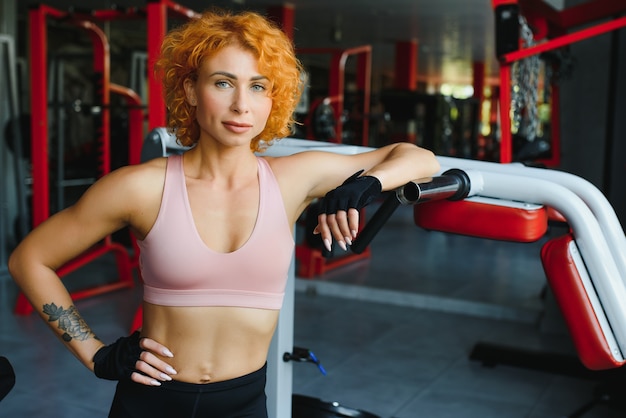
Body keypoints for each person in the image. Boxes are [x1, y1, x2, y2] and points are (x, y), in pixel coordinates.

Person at [8, 8, 440, 418]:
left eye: (258, 86)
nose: (241, 106)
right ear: (191, 90)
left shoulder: (293, 179)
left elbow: (418, 157)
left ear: (274, 99)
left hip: (243, 402)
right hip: (150, 401)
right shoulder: (141, 187)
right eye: (223, 83)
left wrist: (364, 186)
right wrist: (96, 355)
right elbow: (30, 259)